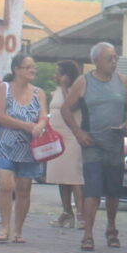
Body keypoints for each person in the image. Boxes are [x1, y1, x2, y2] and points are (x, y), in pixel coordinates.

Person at [62, 42, 127, 251]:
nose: (114, 62)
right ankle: (87, 235)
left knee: (113, 191)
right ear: (96, 61)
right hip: (92, 143)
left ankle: (111, 228)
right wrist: (78, 133)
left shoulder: (122, 81)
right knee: (92, 190)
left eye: (115, 58)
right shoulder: (83, 82)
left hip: (115, 143)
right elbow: (66, 109)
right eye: (109, 59)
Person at [0, 53, 49, 244]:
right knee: (6, 185)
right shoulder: (3, 89)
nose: (33, 70)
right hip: (5, 145)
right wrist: (26, 126)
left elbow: (43, 115)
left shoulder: (38, 92)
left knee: (24, 189)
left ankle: (18, 230)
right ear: (16, 70)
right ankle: (4, 227)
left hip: (29, 148)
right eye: (28, 67)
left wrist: (40, 124)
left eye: (34, 67)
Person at [45, 60, 85, 229]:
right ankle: (66, 212)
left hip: (72, 137)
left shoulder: (75, 90)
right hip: (57, 139)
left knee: (74, 177)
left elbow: (71, 107)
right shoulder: (55, 92)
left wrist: (64, 87)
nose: (55, 76)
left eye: (58, 73)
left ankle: (82, 214)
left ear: (66, 76)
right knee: (61, 177)